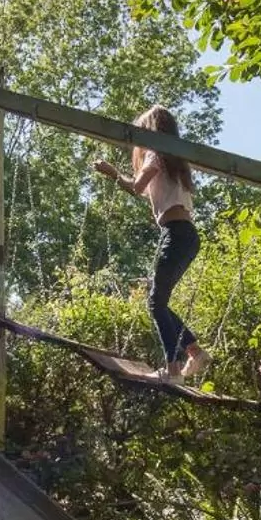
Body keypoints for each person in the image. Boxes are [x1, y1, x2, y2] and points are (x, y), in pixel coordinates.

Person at [95, 107, 207, 381]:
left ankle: (172, 369)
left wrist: (112, 172)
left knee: (156, 303)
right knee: (160, 301)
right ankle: (195, 352)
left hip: (177, 234)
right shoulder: (174, 162)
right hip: (186, 235)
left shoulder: (156, 155)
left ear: (152, 132)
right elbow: (147, 191)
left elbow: (135, 187)